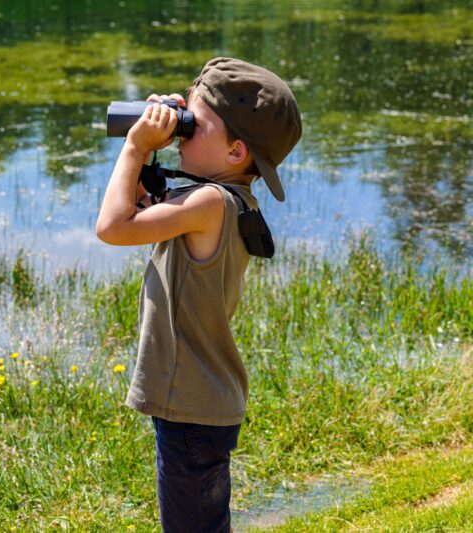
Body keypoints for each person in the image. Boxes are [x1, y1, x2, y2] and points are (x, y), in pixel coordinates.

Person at [95, 57, 302, 532]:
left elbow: (112, 226)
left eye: (193, 123)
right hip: (203, 402)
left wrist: (134, 146)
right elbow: (139, 211)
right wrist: (150, 153)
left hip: (191, 407)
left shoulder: (208, 203)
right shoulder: (226, 199)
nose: (181, 128)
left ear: (235, 152)